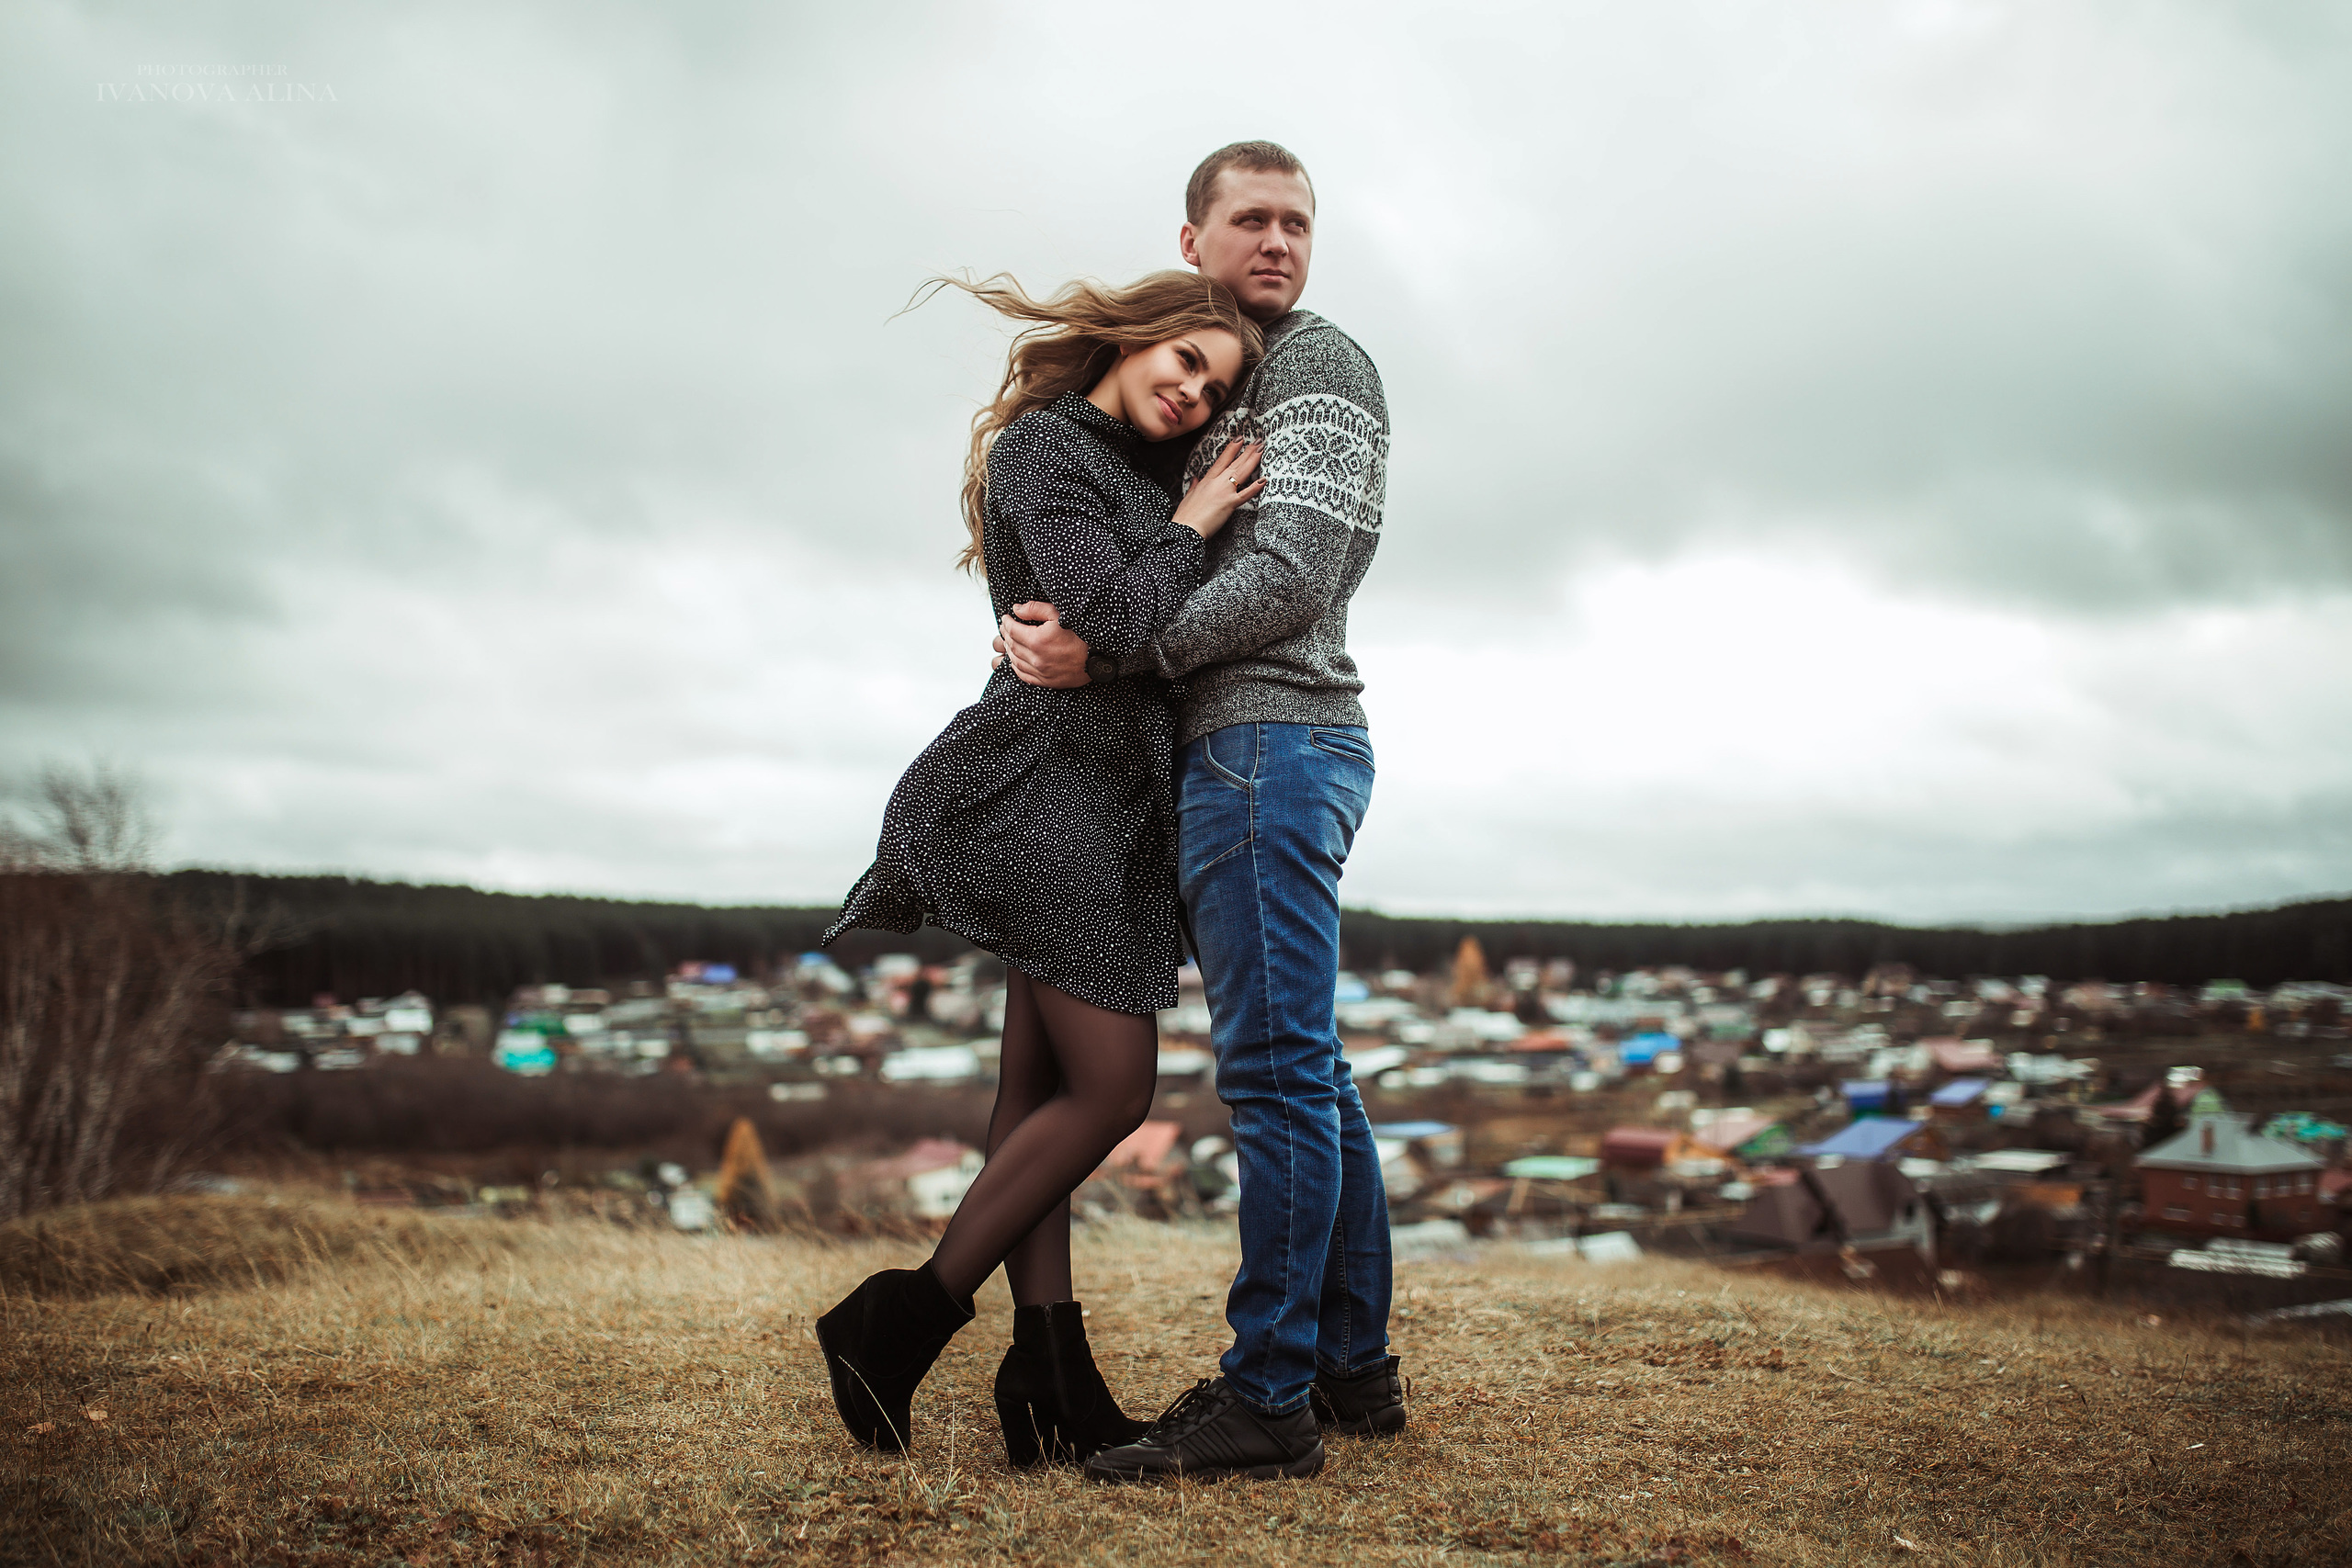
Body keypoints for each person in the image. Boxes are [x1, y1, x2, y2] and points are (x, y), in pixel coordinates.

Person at [995, 141, 1403, 1485]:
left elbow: (1288, 573)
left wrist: (1113, 654)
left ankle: (1268, 1399)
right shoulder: (1234, 378)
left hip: (1266, 741)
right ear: (1195, 239)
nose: (1278, 242)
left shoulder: (1317, 368)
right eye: (1251, 221)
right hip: (1252, 750)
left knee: (1278, 1074)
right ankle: (1349, 1368)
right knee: (1312, 1070)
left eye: (1297, 222)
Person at [812, 271, 1267, 1468]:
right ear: (1134, 337)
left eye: (1214, 385)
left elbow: (1134, 633)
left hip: (1118, 812)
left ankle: (1050, 1375)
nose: (1191, 390)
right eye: (1183, 360)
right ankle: (900, 1319)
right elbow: (1118, 616)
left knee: (1036, 1097)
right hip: (1043, 793)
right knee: (1113, 1092)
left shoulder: (1143, 470)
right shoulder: (1044, 451)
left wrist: (1171, 548)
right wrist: (1198, 524)